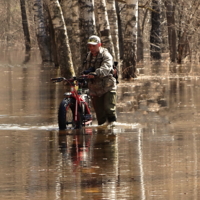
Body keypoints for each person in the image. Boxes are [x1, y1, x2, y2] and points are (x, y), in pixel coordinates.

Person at [82, 35, 117, 127]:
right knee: (100, 117)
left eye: (94, 46)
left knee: (109, 109)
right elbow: (83, 69)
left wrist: (95, 73)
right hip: (94, 89)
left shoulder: (106, 55)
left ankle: (113, 132)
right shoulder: (87, 56)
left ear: (99, 45)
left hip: (108, 87)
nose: (91, 48)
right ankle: (102, 137)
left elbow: (106, 68)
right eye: (90, 46)